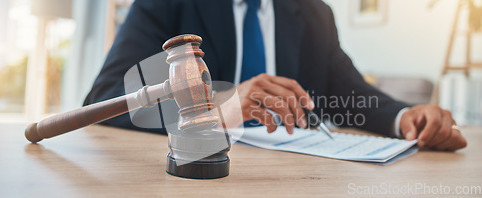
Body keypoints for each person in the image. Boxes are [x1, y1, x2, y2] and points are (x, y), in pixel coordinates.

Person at [84, 0, 466, 151]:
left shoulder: (314, 13)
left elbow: (348, 92)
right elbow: (106, 98)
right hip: (191, 173)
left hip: (293, 178)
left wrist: (406, 117)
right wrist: (219, 107)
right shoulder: (168, 3)